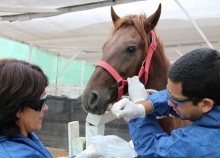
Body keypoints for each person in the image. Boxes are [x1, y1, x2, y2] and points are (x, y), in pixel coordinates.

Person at [111, 48, 220, 157]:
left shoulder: (198, 144)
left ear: (206, 104)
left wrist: (138, 108)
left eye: (176, 101)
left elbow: (153, 149)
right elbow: (180, 96)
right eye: (168, 92)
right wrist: (143, 108)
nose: (169, 103)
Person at [0, 59, 101, 158]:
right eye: (41, 101)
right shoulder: (15, 154)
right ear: (16, 107)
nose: (46, 108)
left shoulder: (23, 135)